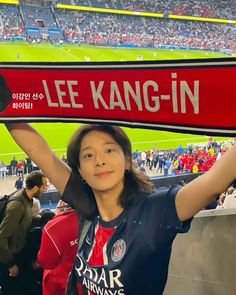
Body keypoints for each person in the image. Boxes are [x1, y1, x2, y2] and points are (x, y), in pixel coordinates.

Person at [4, 122, 236, 295]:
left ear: (127, 160)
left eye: (109, 150)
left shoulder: (157, 210)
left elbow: (213, 182)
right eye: (88, 155)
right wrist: (7, 111)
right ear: (80, 172)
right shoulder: (86, 205)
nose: (99, 160)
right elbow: (39, 152)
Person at [0, 170, 48, 295]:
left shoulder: (27, 199)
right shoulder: (18, 206)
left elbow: (21, 223)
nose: (45, 190)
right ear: (36, 187)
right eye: (44, 187)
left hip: (17, 254)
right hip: (8, 260)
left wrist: (37, 220)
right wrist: (10, 264)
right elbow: (1, 237)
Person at [36, 200, 78, 295]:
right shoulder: (99, 217)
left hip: (63, 284)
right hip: (91, 280)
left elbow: (45, 262)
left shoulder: (53, 227)